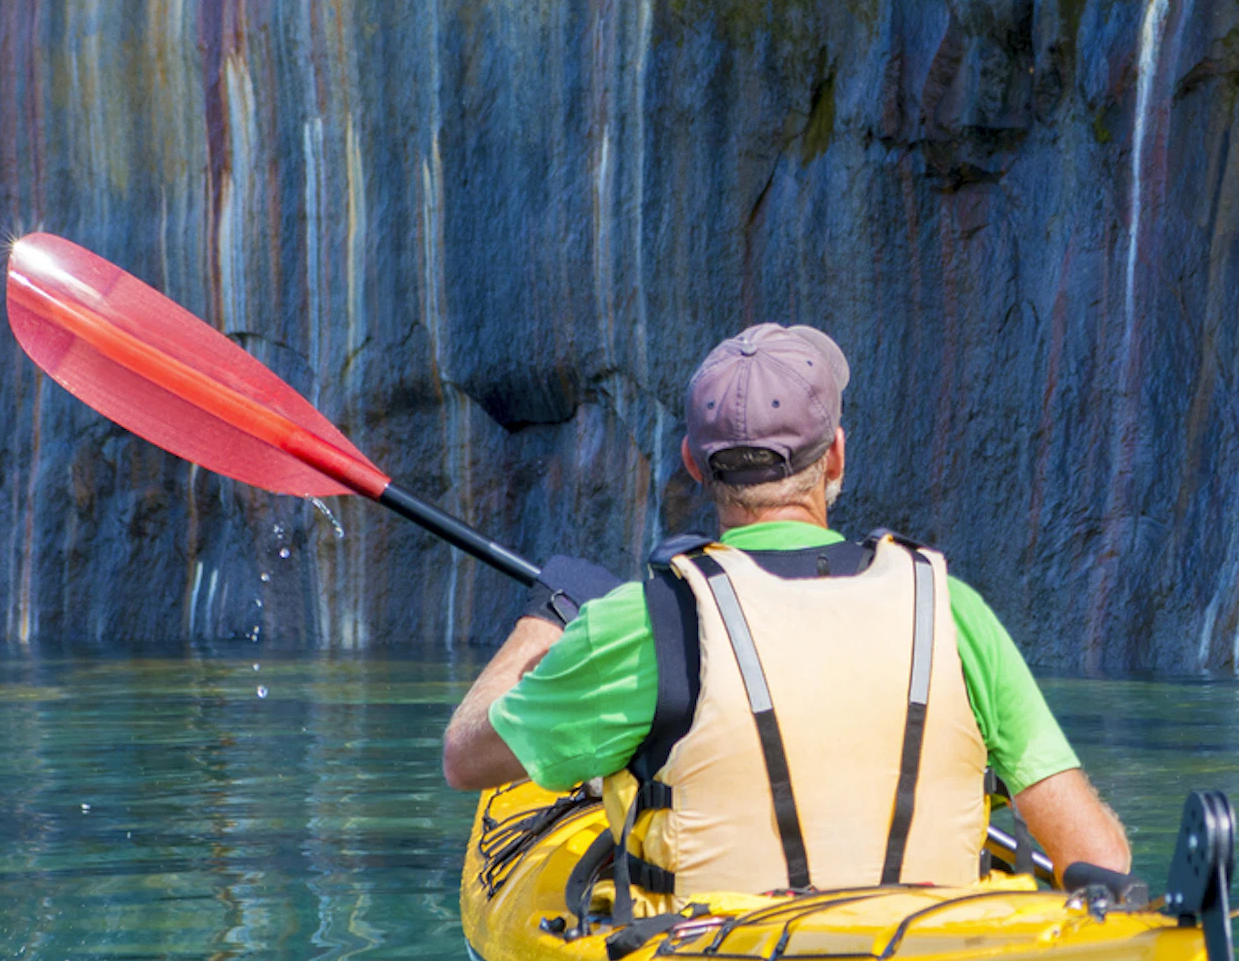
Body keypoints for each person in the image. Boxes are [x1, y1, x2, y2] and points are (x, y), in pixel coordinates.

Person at [439, 321, 1134, 896]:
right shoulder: (950, 610)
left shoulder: (647, 621)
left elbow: (465, 760)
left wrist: (545, 620)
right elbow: (1097, 856)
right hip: (938, 959)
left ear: (690, 461)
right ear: (834, 457)